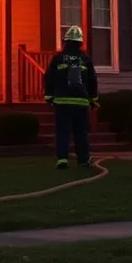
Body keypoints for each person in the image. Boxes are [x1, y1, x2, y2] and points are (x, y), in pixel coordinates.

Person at [44, 25, 98, 169]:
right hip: (81, 103)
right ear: (80, 42)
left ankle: (62, 159)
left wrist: (49, 96)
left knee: (63, 131)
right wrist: (93, 99)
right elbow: (92, 81)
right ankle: (83, 160)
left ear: (65, 41)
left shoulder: (59, 58)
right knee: (81, 132)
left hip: (62, 102)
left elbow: (49, 77)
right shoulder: (85, 59)